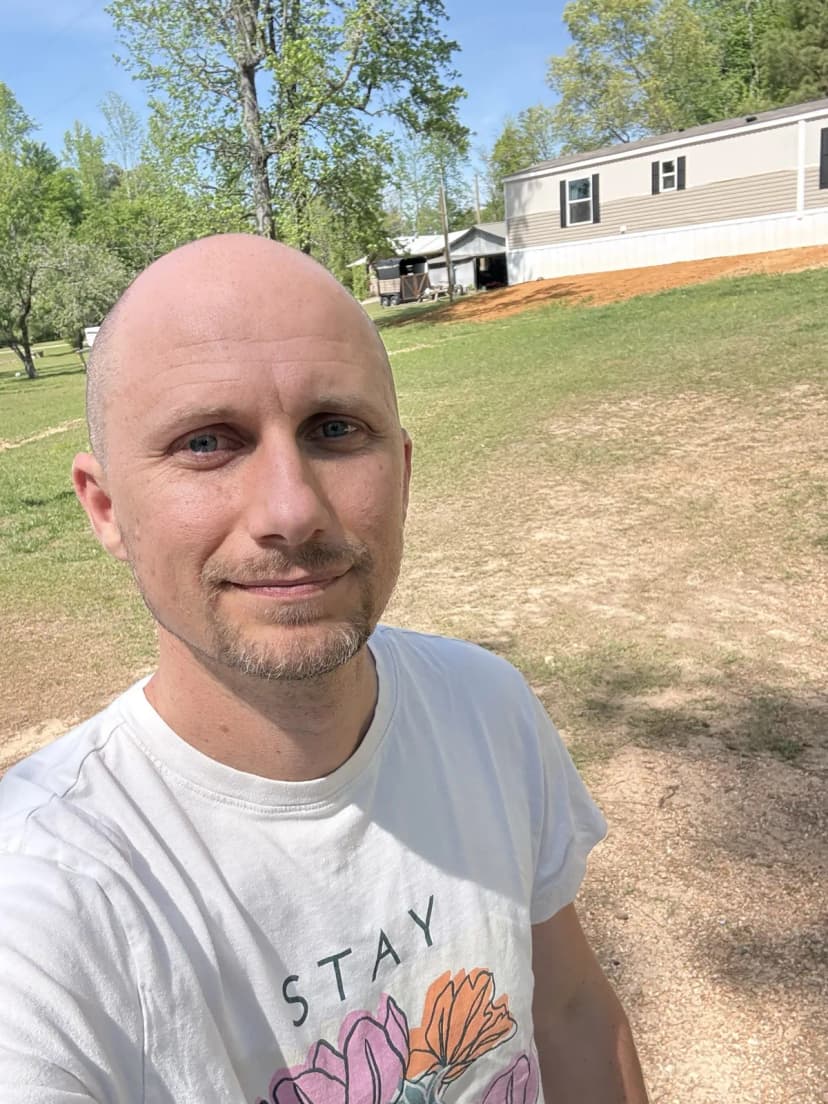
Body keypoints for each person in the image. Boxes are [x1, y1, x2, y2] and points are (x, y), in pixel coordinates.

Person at [0, 235, 648, 1104]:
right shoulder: (44, 909)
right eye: (206, 442)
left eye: (335, 430)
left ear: (404, 470)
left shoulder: (485, 706)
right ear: (107, 508)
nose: (292, 511)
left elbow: (567, 1010)